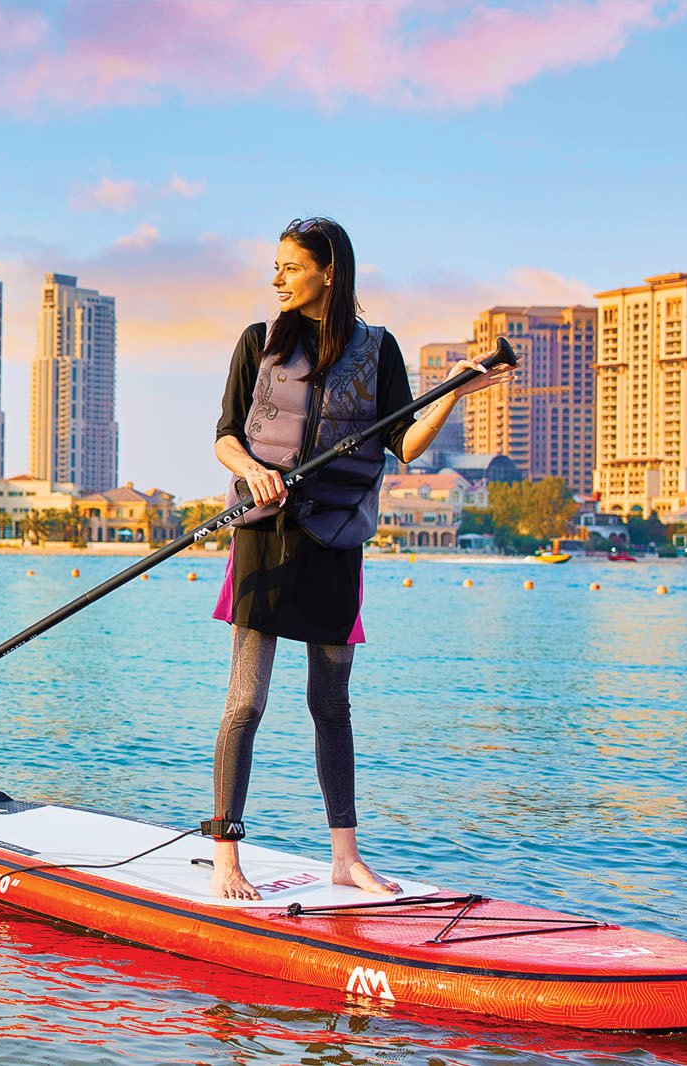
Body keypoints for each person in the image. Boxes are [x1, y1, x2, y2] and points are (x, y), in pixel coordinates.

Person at [207, 217, 512, 900]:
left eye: (290, 266)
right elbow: (226, 435)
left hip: (337, 540)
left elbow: (405, 444)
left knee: (331, 704)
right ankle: (227, 855)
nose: (277, 278)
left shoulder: (378, 351)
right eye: (276, 266)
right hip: (264, 536)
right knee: (246, 701)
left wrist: (451, 392)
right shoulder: (258, 341)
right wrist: (253, 470)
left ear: (329, 272)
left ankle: (345, 860)